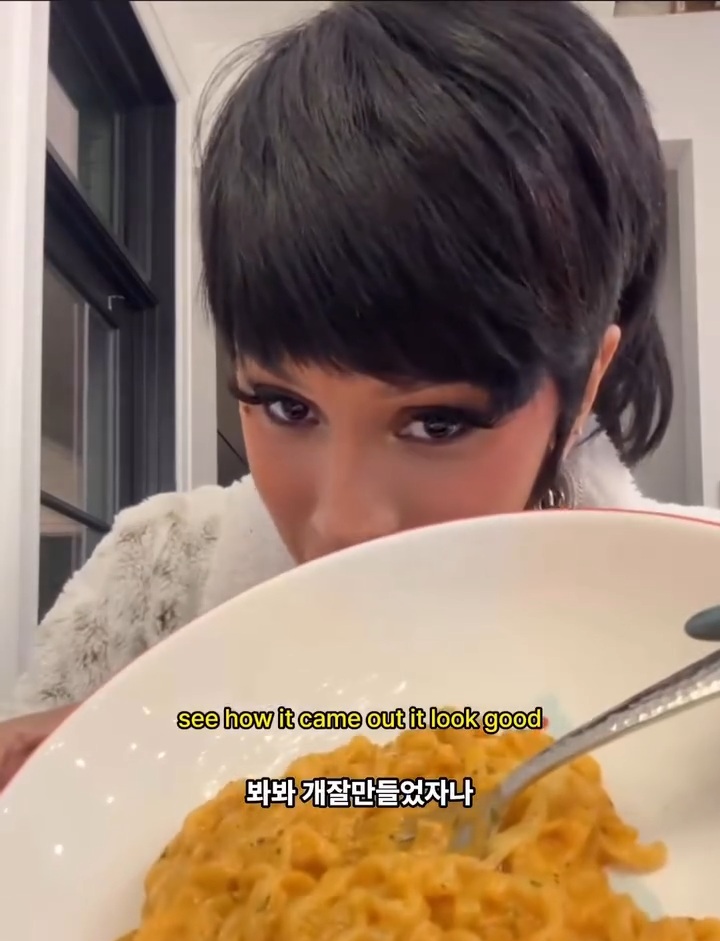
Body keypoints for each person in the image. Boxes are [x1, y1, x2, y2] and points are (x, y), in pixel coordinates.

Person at [0, 0, 717, 790]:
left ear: (584, 388)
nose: (340, 523)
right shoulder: (154, 583)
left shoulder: (686, 603)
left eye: (436, 423)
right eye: (286, 407)